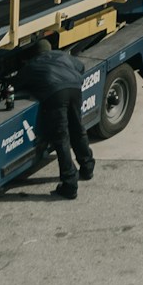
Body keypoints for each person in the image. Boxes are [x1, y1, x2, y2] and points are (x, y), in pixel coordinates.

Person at [15, 40, 95, 198]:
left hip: (56, 94)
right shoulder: (62, 55)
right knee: (78, 129)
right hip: (74, 88)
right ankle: (87, 168)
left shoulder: (31, 65)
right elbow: (81, 67)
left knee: (61, 138)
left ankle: (70, 184)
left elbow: (17, 85)